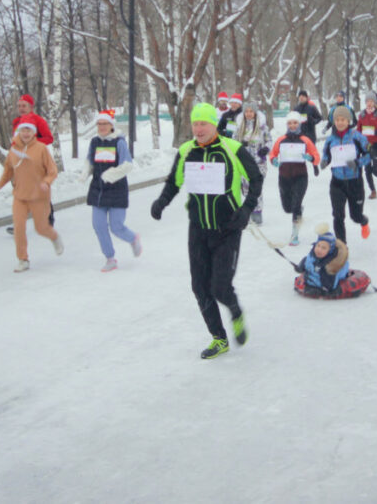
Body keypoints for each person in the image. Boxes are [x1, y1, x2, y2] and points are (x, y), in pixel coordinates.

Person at [150, 103, 263, 360]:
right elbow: (174, 182)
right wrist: (161, 202)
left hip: (228, 228)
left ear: (214, 125)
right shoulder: (187, 151)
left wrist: (246, 209)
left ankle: (235, 311)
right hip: (198, 229)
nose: (198, 129)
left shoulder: (232, 149)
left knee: (220, 287)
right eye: (195, 123)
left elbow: (256, 179)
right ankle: (219, 338)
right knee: (199, 287)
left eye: (204, 123)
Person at [0, 114, 64, 272]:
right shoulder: (13, 150)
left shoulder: (41, 149)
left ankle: (54, 237)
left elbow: (52, 171)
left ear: (33, 132)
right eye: (23, 130)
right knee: (18, 228)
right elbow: (8, 171)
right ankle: (23, 259)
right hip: (20, 196)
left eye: (29, 130)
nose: (26, 133)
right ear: (19, 132)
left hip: (39, 196)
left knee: (41, 228)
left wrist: (46, 182)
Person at [86, 110, 140, 272]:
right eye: (99, 124)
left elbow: (128, 164)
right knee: (99, 225)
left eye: (105, 124)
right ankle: (110, 258)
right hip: (98, 189)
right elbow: (90, 160)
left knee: (116, 226)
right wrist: (85, 172)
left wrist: (111, 174)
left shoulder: (119, 142)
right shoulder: (94, 142)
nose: (102, 127)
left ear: (111, 125)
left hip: (116, 189)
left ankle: (133, 238)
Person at [320, 105, 372, 242]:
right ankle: (342, 246)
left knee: (355, 216)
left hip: (354, 181)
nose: (340, 122)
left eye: (343, 119)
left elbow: (369, 155)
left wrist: (357, 163)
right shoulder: (330, 140)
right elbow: (326, 154)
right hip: (337, 182)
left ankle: (363, 221)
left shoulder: (357, 137)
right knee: (338, 216)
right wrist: (324, 161)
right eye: (337, 119)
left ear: (348, 121)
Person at [268, 112, 321, 245]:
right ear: (287, 124)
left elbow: (316, 156)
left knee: (296, 205)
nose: (292, 125)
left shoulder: (305, 140)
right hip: (284, 177)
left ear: (299, 123)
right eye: (290, 123)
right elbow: (273, 154)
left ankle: (295, 235)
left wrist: (311, 158)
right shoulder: (281, 139)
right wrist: (274, 160)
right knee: (287, 208)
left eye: (295, 122)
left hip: (300, 176)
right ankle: (297, 211)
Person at [7, 94, 55, 234]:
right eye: (19, 106)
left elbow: (49, 138)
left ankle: (48, 218)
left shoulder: (38, 121)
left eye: (24, 106)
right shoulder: (17, 122)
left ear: (30, 107)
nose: (21, 109)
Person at [232, 99, 272, 225]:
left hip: (258, 161)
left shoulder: (262, 127)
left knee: (256, 187)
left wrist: (265, 149)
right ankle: (248, 210)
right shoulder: (239, 127)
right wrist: (239, 145)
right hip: (244, 162)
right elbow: (233, 141)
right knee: (245, 189)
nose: (249, 114)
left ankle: (257, 212)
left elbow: (269, 140)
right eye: (246, 111)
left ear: (255, 112)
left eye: (251, 111)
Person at [294, 224, 350, 297]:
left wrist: (322, 273)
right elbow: (307, 261)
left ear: (330, 251)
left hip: (327, 279)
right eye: (318, 246)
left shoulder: (331, 266)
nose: (319, 250)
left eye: (324, 248)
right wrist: (300, 267)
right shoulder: (313, 255)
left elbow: (330, 286)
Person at [357, 93, 377, 199]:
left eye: (371, 101)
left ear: (375, 103)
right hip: (366, 145)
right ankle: (373, 191)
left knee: (375, 169)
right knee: (367, 170)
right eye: (367, 101)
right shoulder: (362, 115)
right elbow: (358, 130)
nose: (369, 103)